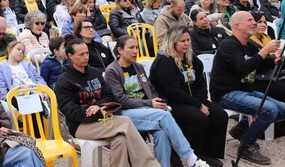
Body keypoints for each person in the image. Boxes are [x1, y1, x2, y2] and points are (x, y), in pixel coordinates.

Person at [106, 35, 210, 167]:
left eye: (137, 47)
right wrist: (149, 104)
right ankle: (189, 157)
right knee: (164, 116)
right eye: (131, 48)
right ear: (120, 50)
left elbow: (150, 89)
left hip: (144, 110)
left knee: (162, 132)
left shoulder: (138, 66)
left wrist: (159, 102)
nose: (135, 51)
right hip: (124, 113)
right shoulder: (112, 70)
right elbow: (120, 99)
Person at [55, 37, 160, 167]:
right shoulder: (64, 81)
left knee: (120, 140)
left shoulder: (95, 73)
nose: (86, 57)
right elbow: (70, 111)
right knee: (126, 121)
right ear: (70, 56)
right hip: (80, 126)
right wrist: (98, 112)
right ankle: (150, 165)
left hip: (102, 119)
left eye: (87, 53)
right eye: (81, 54)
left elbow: (109, 96)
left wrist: (98, 107)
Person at [210, 11, 285, 165]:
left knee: (282, 109)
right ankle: (246, 146)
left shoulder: (249, 44)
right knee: (269, 109)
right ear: (237, 26)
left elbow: (261, 64)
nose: (254, 23)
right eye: (250, 20)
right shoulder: (228, 44)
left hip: (244, 90)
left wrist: (276, 58)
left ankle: (241, 129)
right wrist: (264, 51)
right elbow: (243, 68)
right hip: (225, 94)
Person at [150, 26, 228, 166]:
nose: (187, 43)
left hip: (191, 100)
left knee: (220, 115)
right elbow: (173, 91)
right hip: (171, 103)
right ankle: (178, 153)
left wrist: (201, 101)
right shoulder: (164, 61)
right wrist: (198, 105)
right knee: (199, 118)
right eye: (182, 41)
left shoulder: (190, 57)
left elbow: (200, 82)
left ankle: (206, 153)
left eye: (188, 40)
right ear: (173, 42)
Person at [248, 12, 285, 101]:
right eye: (259, 22)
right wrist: (274, 57)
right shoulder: (248, 41)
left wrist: (279, 56)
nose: (263, 25)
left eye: (264, 22)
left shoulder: (266, 37)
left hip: (274, 72)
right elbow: (255, 65)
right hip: (260, 78)